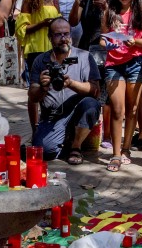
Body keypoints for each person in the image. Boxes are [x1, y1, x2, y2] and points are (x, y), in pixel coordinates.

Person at [29, 18, 102, 162]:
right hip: (52, 116)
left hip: (77, 111)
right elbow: (32, 96)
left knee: (91, 104)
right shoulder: (40, 60)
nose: (64, 39)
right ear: (50, 37)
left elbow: (95, 91)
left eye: (66, 34)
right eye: (58, 35)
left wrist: (71, 84)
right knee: (44, 152)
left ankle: (75, 147)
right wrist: (42, 87)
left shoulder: (84, 56)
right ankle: (65, 139)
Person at [102, 0, 142, 172]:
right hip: (113, 64)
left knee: (132, 109)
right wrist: (107, 44)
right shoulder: (109, 11)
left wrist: (136, 41)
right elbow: (103, 37)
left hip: (135, 63)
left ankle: (126, 148)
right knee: (118, 110)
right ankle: (115, 154)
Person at [15, 0, 60, 127]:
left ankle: (47, 124)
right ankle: (34, 127)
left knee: (50, 88)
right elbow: (21, 30)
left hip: (52, 51)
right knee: (34, 90)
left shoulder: (55, 1)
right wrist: (42, 24)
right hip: (34, 50)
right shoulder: (29, 2)